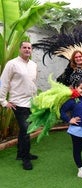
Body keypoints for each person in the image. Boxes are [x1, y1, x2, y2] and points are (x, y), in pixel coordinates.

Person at [0, 41, 38, 170]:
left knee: (24, 130)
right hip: (18, 103)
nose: (27, 50)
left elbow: (33, 84)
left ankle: (20, 154)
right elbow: (3, 82)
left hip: (31, 103)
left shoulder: (33, 65)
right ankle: (26, 159)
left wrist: (36, 100)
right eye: (25, 47)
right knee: (27, 130)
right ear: (19, 49)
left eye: (29, 48)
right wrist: (3, 101)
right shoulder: (12, 64)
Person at [57, 50, 82, 153]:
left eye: (80, 57)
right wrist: (69, 88)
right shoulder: (70, 68)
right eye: (76, 57)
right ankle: (77, 142)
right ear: (73, 59)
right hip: (74, 96)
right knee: (75, 118)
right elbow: (61, 79)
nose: (78, 58)